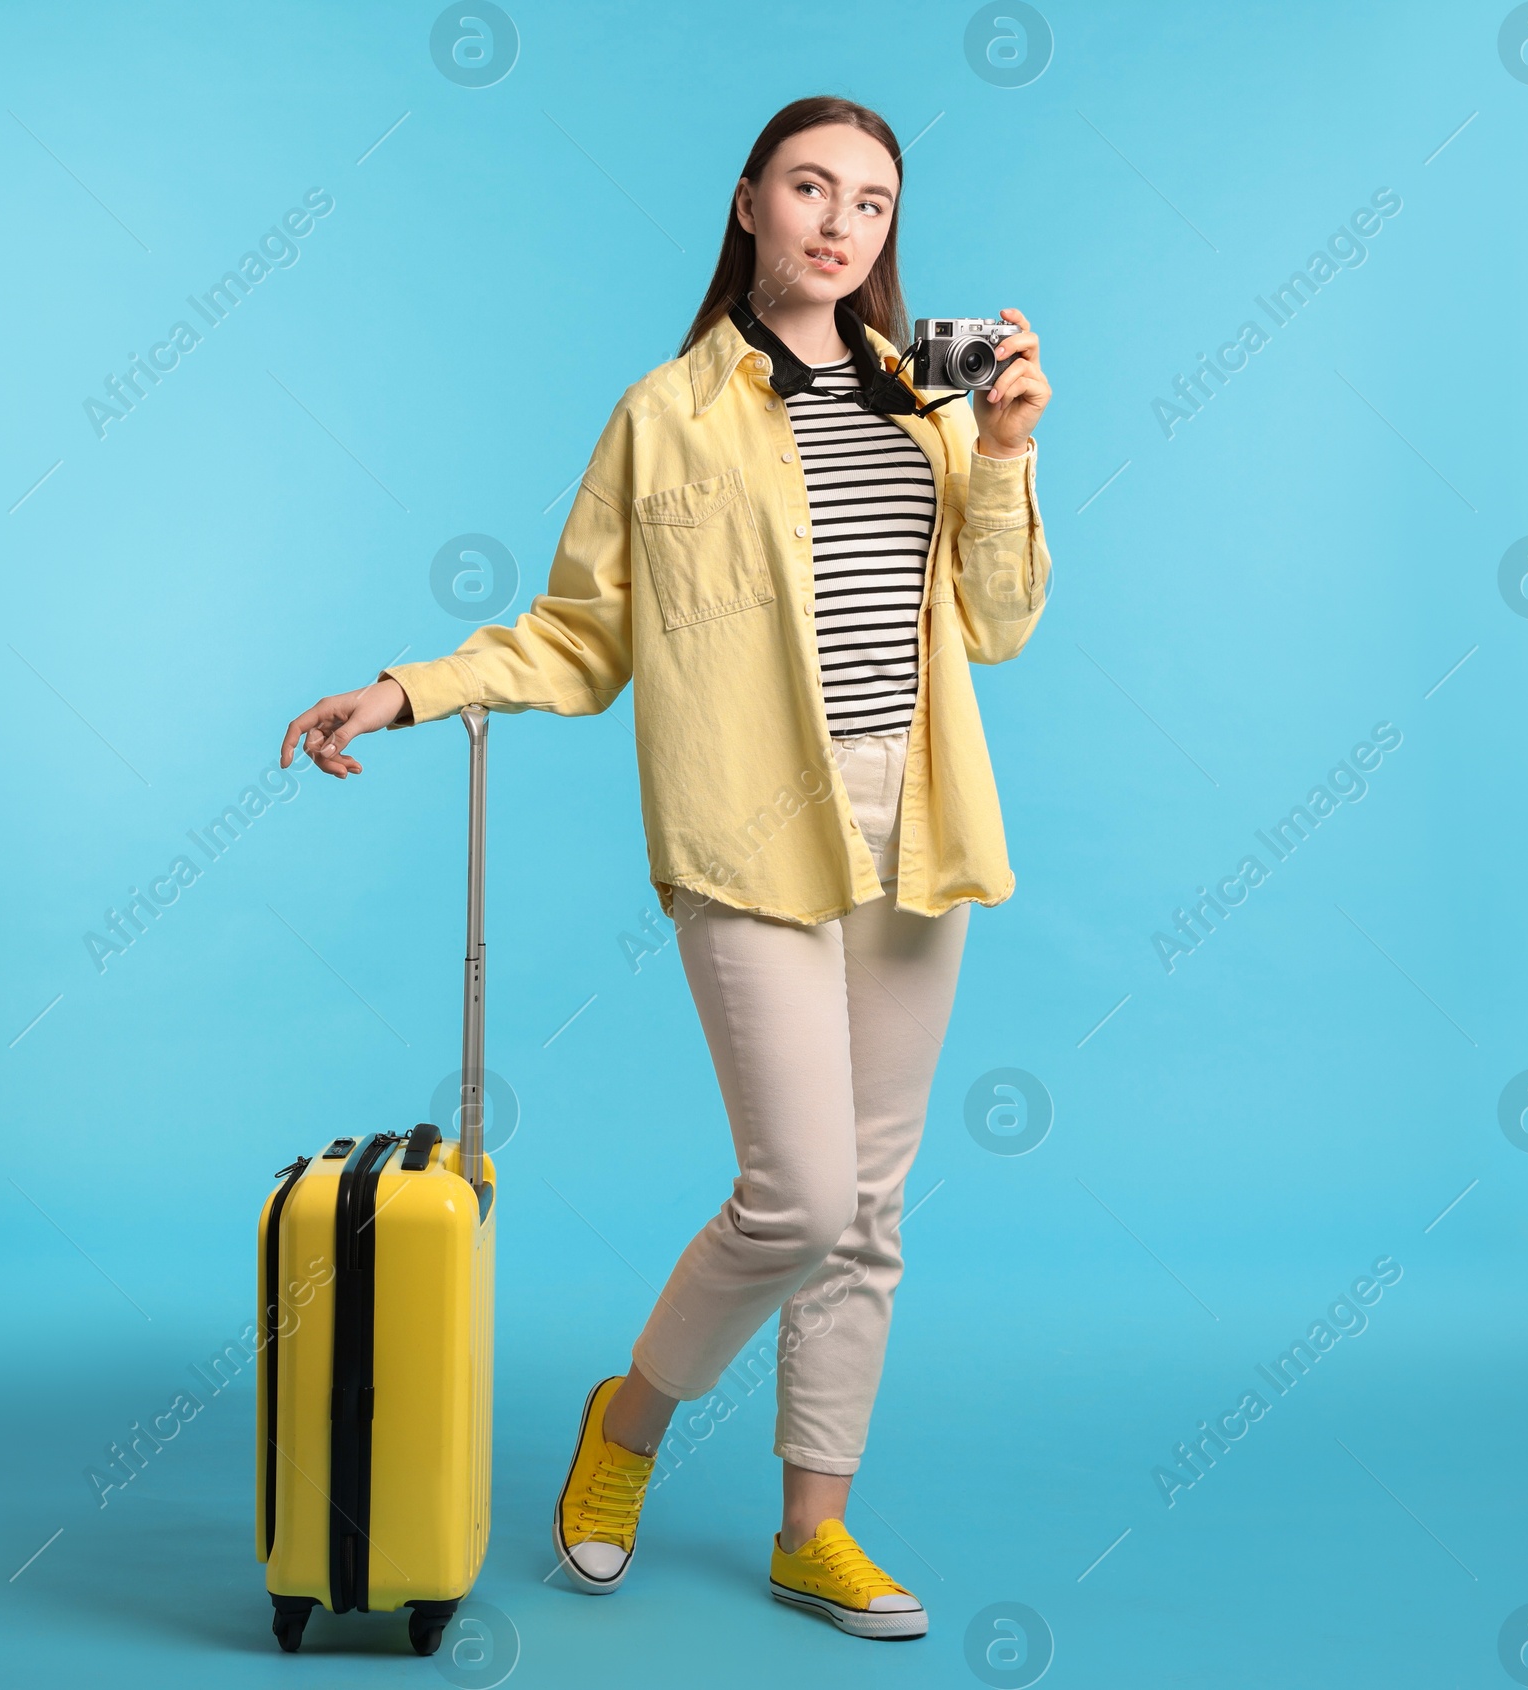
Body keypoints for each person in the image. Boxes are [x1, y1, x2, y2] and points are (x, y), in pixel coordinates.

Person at [280, 93, 1051, 1642]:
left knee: (872, 1209)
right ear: (751, 201)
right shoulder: (665, 414)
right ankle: (626, 1424)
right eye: (811, 187)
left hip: (920, 824)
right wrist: (414, 685)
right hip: (753, 831)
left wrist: (1010, 453)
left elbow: (1001, 616)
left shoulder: (930, 403)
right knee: (800, 1194)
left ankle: (811, 1525)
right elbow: (580, 632)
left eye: (874, 204)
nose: (841, 222)